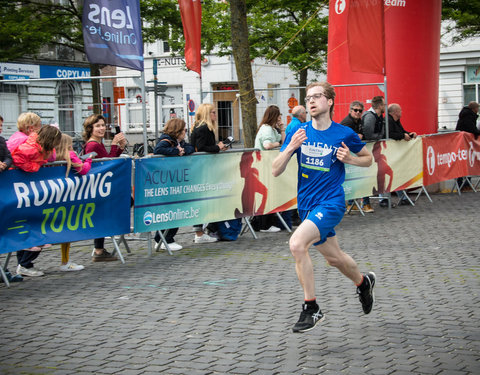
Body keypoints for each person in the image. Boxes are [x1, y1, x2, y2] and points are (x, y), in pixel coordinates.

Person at [272, 81, 376, 333]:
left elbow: (368, 159)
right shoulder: (299, 132)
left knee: (297, 244)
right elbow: (275, 170)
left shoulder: (343, 133)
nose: (311, 101)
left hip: (331, 203)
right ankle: (363, 283)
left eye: (317, 96)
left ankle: (311, 307)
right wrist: (291, 149)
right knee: (334, 259)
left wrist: (350, 159)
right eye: (308, 97)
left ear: (329, 101)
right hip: (306, 205)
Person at [12, 125, 62, 277]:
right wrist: (35, 167)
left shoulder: (40, 147)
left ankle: (25, 263)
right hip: (20, 190)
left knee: (33, 226)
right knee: (30, 226)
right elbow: (17, 159)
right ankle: (24, 264)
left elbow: (50, 157)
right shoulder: (31, 148)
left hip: (29, 190)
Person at [83, 114, 127, 261]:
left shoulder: (98, 143)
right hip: (98, 186)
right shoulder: (92, 145)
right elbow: (108, 162)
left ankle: (99, 249)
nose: (102, 128)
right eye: (98, 126)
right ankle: (99, 249)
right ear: (90, 129)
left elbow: (109, 157)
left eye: (103, 125)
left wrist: (119, 148)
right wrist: (115, 145)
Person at [153, 118, 195, 251]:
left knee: (176, 209)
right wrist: (176, 151)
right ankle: (164, 239)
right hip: (166, 180)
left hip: (175, 180)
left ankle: (166, 238)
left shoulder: (179, 141)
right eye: (184, 130)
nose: (185, 132)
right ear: (177, 131)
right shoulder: (166, 141)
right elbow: (158, 150)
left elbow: (190, 147)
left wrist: (182, 150)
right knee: (169, 210)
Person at [56, 134, 93, 270]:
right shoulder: (69, 154)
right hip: (68, 197)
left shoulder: (53, 156)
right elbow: (83, 169)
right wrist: (88, 160)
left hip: (56, 196)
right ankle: (65, 262)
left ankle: (65, 261)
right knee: (66, 229)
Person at [189, 103, 225, 243]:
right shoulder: (204, 128)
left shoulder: (200, 127)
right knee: (201, 199)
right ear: (207, 114)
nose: (216, 115)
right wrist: (217, 147)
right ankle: (199, 232)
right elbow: (202, 147)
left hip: (203, 166)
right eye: (213, 113)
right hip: (202, 168)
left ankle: (201, 230)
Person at [254, 105, 286, 232]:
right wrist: (277, 144)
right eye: (279, 116)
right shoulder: (267, 129)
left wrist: (282, 129)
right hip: (263, 166)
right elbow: (267, 145)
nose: (280, 118)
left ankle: (266, 223)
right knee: (265, 194)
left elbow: (284, 141)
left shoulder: (272, 129)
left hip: (267, 165)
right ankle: (264, 224)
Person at [341, 101, 374, 213]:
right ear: (350, 110)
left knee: (360, 178)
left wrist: (359, 136)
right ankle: (354, 204)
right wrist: (357, 137)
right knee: (352, 180)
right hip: (348, 155)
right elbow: (348, 138)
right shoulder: (347, 122)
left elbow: (362, 134)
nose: (358, 112)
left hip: (356, 155)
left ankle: (356, 204)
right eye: (355, 110)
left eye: (360, 111)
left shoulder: (359, 121)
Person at [386, 103, 418, 205]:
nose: (401, 112)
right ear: (395, 112)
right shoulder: (388, 121)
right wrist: (402, 136)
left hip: (396, 152)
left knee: (397, 174)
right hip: (387, 152)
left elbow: (401, 131)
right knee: (387, 175)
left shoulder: (396, 120)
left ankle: (402, 197)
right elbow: (389, 134)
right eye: (400, 110)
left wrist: (409, 134)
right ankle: (384, 199)